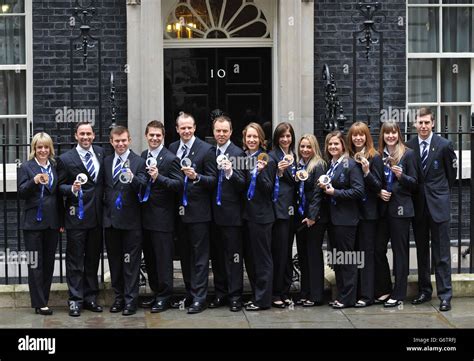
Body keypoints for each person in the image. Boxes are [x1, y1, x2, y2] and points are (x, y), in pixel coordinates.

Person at [407, 107, 457, 312]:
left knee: (442, 254)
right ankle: (424, 291)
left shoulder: (444, 145)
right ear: (415, 124)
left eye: (427, 122)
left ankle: (445, 295)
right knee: (421, 252)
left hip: (438, 206)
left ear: (433, 123)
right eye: (420, 122)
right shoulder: (409, 146)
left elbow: (451, 176)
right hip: (418, 207)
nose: (424, 126)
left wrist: (439, 194)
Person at [168, 112, 217, 314]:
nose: (186, 131)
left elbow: (213, 180)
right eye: (182, 128)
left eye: (189, 127)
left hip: (199, 213)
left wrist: (197, 177)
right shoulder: (171, 148)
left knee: (199, 256)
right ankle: (189, 291)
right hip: (178, 212)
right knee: (185, 255)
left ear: (194, 128)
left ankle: (199, 297)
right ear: (177, 129)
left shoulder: (206, 150)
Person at [57, 122, 104, 317]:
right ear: (76, 136)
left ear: (93, 136)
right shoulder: (65, 159)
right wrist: (72, 189)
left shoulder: (101, 153)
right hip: (76, 216)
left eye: (89, 134)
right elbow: (58, 188)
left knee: (93, 259)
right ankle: (75, 299)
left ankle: (90, 297)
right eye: (82, 134)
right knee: (75, 260)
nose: (86, 137)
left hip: (97, 216)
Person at [103, 126, 147, 316]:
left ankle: (131, 300)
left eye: (123, 140)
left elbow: (144, 185)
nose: (120, 144)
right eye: (116, 141)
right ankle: (119, 298)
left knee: (131, 264)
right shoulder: (106, 161)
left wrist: (132, 178)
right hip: (111, 221)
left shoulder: (139, 161)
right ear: (111, 142)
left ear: (129, 140)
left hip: (131, 223)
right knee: (115, 263)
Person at [140, 120, 183, 313]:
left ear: (163, 137)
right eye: (151, 135)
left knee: (163, 258)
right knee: (150, 258)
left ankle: (165, 296)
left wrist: (159, 178)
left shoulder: (171, 158)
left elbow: (178, 185)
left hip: (163, 218)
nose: (155, 138)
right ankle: (156, 292)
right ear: (146, 136)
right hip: (144, 217)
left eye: (158, 135)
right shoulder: (142, 156)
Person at [374, 121, 418, 307]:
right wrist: (378, 192)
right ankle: (385, 289)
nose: (390, 136)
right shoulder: (378, 155)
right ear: (382, 135)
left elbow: (415, 183)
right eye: (387, 133)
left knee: (400, 252)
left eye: (394, 133)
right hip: (383, 209)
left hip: (401, 210)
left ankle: (398, 293)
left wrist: (401, 176)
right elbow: (375, 181)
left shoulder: (407, 154)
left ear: (398, 134)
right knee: (378, 249)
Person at [320, 131, 364, 309]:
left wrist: (334, 192)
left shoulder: (351, 164)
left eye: (336, 144)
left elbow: (358, 191)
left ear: (343, 146)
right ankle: (341, 295)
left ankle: (348, 299)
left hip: (346, 220)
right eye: (330, 144)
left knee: (347, 259)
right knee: (338, 259)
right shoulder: (331, 164)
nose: (332, 147)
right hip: (333, 219)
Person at [18, 132, 61, 315]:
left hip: (52, 223)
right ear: (34, 149)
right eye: (39, 147)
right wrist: (33, 181)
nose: (43, 150)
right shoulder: (26, 167)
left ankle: (44, 299)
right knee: (35, 264)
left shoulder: (54, 165)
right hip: (33, 223)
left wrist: (61, 220)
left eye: (46, 147)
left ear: (49, 148)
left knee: (49, 263)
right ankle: (39, 303)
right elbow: (21, 192)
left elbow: (57, 194)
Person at [209, 115, 246, 312]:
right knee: (217, 257)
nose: (221, 134)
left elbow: (243, 185)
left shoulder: (238, 152)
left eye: (225, 131)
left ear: (231, 132)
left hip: (232, 216)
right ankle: (220, 293)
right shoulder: (209, 152)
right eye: (218, 131)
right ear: (213, 132)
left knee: (233, 257)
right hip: (213, 214)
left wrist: (231, 172)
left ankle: (235, 295)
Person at [347, 122, 384, 308]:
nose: (358, 138)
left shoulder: (374, 156)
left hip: (368, 214)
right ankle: (356, 292)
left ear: (367, 137)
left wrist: (367, 172)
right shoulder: (348, 157)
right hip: (352, 214)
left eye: (361, 135)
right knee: (355, 255)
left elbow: (378, 186)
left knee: (367, 255)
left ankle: (368, 295)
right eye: (355, 135)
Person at [242, 122, 276, 311]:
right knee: (251, 260)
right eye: (249, 137)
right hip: (247, 216)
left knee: (262, 259)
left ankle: (263, 300)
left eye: (255, 137)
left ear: (261, 139)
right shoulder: (244, 157)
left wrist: (261, 173)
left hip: (262, 217)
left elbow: (269, 189)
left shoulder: (267, 159)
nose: (252, 140)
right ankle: (256, 295)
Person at [294, 134, 328, 307]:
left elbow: (317, 194)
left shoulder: (319, 165)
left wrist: (312, 217)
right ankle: (304, 292)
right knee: (303, 257)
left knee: (313, 256)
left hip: (314, 219)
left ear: (314, 148)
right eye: (302, 147)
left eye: (308, 147)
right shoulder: (300, 165)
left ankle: (315, 295)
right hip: (301, 217)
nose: (305, 150)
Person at [268, 122, 297, 308]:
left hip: (295, 211)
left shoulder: (297, 156)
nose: (285, 139)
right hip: (279, 212)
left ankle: (285, 290)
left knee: (287, 253)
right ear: (277, 138)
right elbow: (267, 184)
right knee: (279, 253)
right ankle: (276, 292)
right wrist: (279, 172)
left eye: (288, 136)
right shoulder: (272, 157)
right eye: (282, 136)